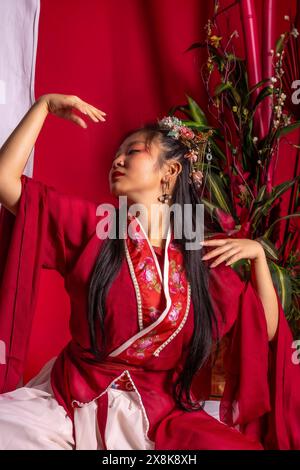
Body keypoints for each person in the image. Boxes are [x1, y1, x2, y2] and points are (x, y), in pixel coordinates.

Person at [0, 94, 299, 450]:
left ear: (170, 171)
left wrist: (258, 258)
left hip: (159, 413)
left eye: (134, 151)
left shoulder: (198, 257)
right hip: (74, 394)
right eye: (117, 154)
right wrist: (43, 107)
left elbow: (263, 327)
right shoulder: (95, 227)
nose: (118, 159)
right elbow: (6, 184)